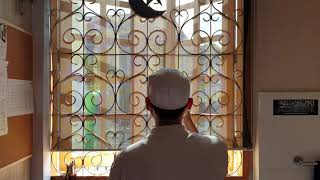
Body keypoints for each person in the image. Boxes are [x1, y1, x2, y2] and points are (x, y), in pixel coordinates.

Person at [109, 68, 228, 180]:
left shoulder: (126, 160)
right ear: (189, 104)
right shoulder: (217, 149)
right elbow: (198, 150)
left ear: (147, 104)